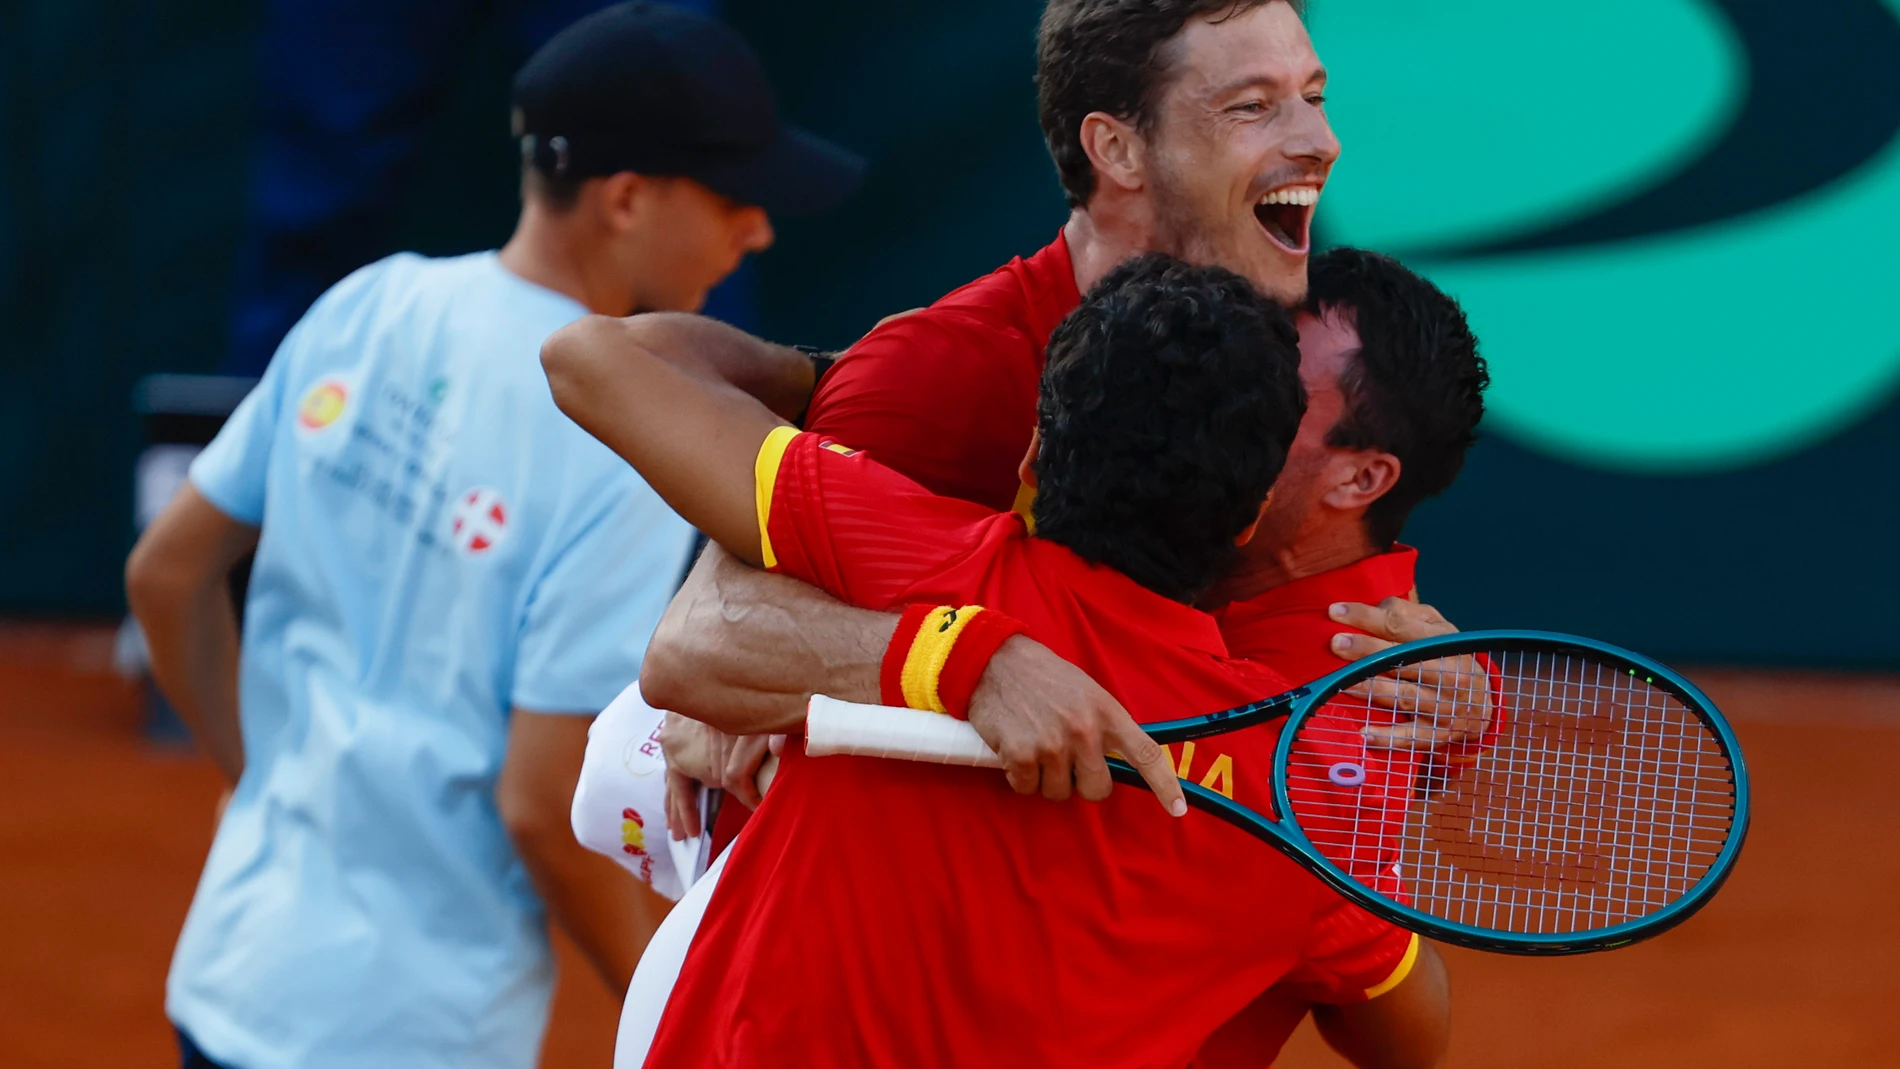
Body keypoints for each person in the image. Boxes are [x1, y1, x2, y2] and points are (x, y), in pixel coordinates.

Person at [554, 1, 1467, 1061]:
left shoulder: (1272, 356)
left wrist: (1429, 707)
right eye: (1250, 107)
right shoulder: (937, 383)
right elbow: (699, 648)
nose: (1316, 139)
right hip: (814, 958)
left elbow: (1258, 652)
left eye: (1311, 96)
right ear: (1116, 147)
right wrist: (977, 662)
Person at [122, 6, 862, 1068]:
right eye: (737, 200)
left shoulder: (364, 304)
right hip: (407, 1034)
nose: (759, 231)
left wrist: (263, 780)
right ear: (624, 199)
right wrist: (678, 1019)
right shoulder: (626, 440)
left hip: (233, 970)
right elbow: (538, 803)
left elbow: (167, 571)